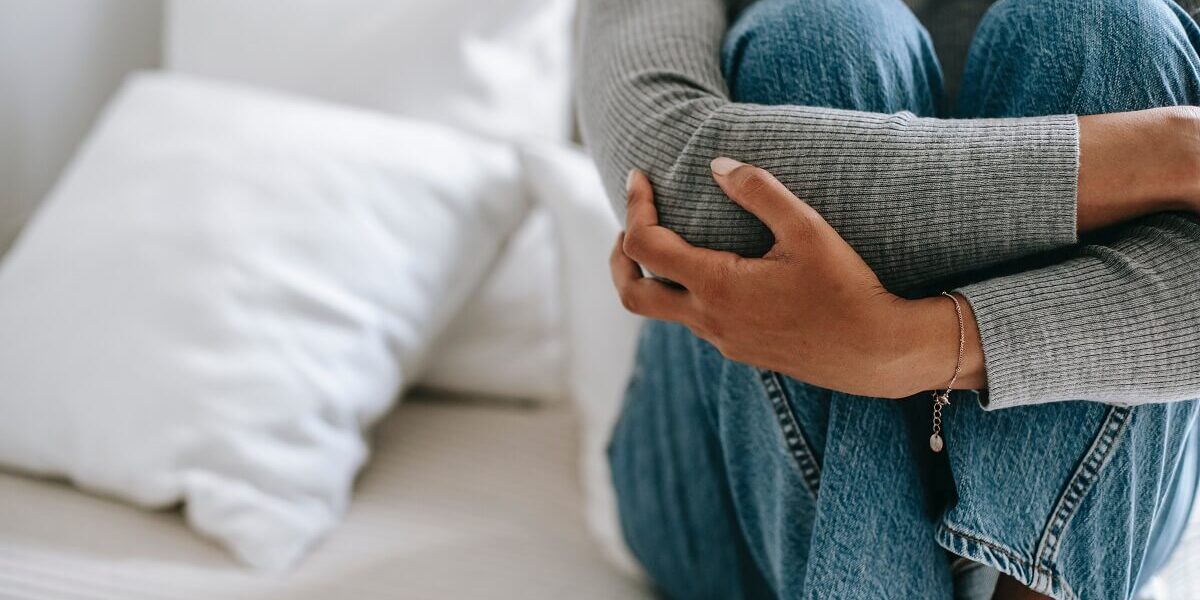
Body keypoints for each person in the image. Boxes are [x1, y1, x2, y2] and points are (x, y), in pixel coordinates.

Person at [578, 0, 1200, 598]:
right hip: (725, 487)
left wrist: (908, 345)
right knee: (821, 37)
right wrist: (1168, 152)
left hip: (1091, 524)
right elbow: (673, 181)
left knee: (1109, 28)